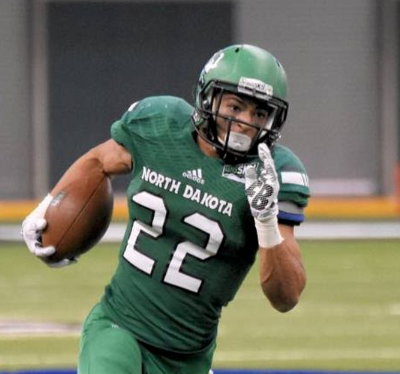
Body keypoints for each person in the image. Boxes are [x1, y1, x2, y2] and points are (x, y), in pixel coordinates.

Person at [22, 44, 310, 374]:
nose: (245, 122)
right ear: (208, 99)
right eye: (235, 106)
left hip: (188, 357)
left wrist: (266, 220)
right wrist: (51, 202)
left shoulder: (272, 172)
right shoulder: (162, 125)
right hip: (118, 326)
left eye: (259, 113)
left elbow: (286, 297)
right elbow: (98, 160)